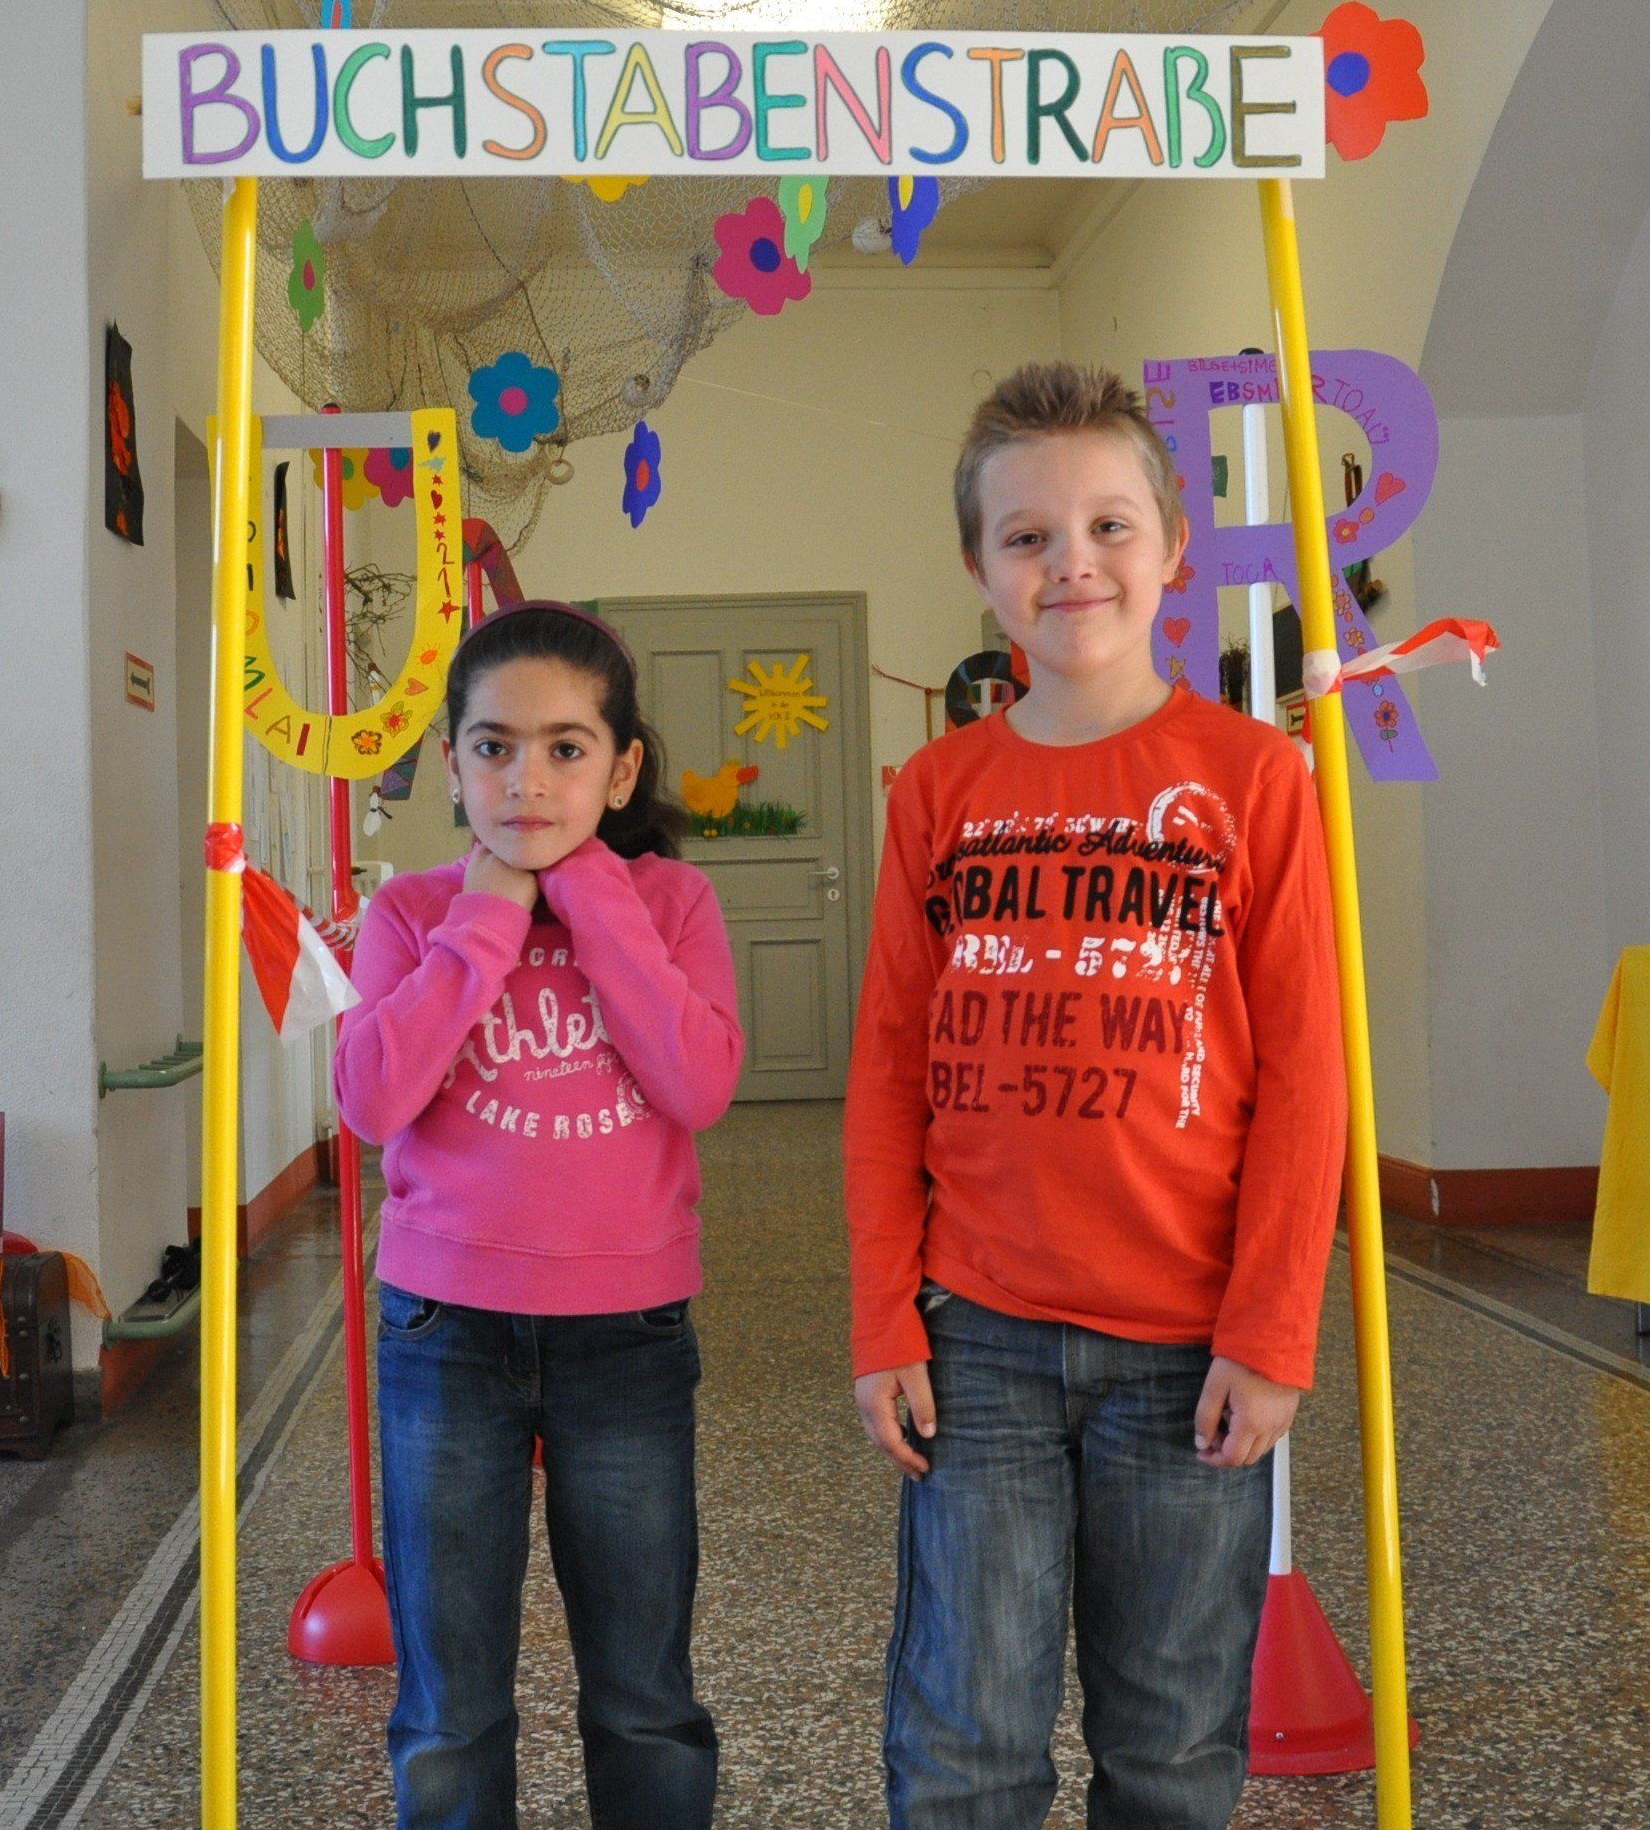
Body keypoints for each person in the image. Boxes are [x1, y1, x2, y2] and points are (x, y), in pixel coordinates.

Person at [845, 361, 1349, 1828]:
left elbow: (1308, 1077)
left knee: (1173, 1745)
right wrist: (883, 1315)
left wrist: (1272, 1330)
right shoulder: (937, 791)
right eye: (1028, 536)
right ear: (978, 568)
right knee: (966, 1740)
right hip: (977, 1337)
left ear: (1174, 546)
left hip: (1189, 1350)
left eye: (1110, 526)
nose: (1073, 564)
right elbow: (886, 1071)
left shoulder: (1257, 780)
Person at [335, 600, 744, 1830]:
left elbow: (698, 1084)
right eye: (494, 746)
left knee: (642, 1690)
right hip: (444, 1330)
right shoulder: (413, 913)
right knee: (450, 1703)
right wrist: (489, 914)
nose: (527, 780)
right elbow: (372, 1099)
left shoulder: (672, 903)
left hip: (627, 1334)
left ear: (620, 770)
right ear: (451, 761)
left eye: (567, 748)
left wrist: (593, 898)